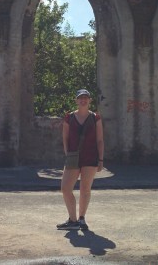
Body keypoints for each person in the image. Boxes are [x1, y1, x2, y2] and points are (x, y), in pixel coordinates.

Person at [57, 89, 104, 231]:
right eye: (80, 98)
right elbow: (65, 137)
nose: (83, 100)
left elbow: (100, 140)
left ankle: (82, 219)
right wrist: (67, 153)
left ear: (90, 100)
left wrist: (101, 160)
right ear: (76, 100)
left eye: (86, 98)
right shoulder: (69, 117)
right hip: (73, 157)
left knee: (85, 189)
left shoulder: (95, 118)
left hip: (90, 157)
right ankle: (73, 220)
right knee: (65, 188)